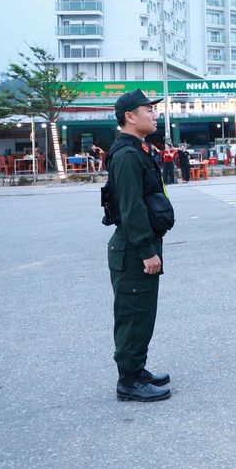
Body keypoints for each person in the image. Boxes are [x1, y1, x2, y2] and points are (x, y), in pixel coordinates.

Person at [103, 89, 174, 402]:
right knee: (132, 313)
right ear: (129, 117)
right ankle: (128, 381)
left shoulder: (139, 149)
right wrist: (147, 251)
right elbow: (131, 208)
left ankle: (137, 369)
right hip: (133, 248)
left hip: (140, 245)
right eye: (148, 110)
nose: (154, 114)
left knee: (144, 312)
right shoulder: (127, 154)